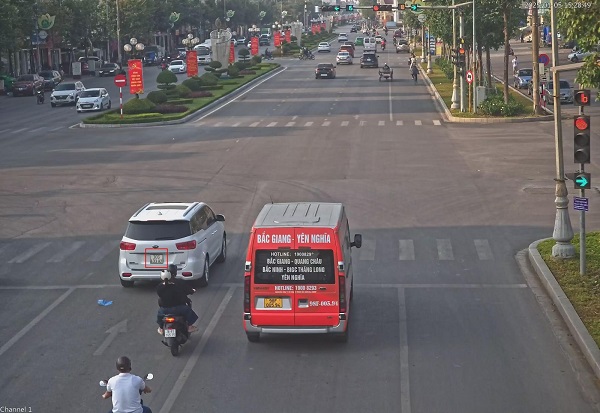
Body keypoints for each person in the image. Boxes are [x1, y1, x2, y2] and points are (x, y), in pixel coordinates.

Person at [156, 264, 199, 334]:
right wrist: (192, 291)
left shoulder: (159, 287)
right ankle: (190, 326)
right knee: (188, 311)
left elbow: (159, 295)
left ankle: (161, 328)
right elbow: (185, 291)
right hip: (178, 309)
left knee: (159, 316)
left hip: (164, 310)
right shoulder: (177, 284)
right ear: (175, 273)